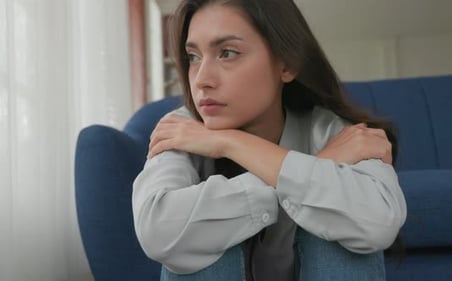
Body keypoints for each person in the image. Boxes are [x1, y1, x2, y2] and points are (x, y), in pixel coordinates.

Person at [132, 0, 407, 280]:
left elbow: (379, 221)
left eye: (227, 53)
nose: (202, 79)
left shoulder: (334, 131)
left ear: (286, 64)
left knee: (343, 221)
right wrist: (316, 166)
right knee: (198, 236)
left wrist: (232, 144)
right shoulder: (181, 130)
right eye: (193, 57)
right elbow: (157, 230)